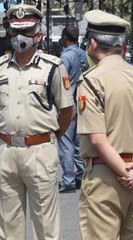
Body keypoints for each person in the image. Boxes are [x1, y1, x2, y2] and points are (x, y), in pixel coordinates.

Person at [77, 10, 133, 239]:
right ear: (121, 45)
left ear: (93, 43)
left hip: (105, 177)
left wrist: (130, 176)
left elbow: (98, 139)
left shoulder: (92, 80)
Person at [0, 4, 75, 239]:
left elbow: (67, 112)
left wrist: (49, 138)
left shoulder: (53, 68)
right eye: (15, 31)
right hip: (6, 151)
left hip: (40, 151)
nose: (20, 37)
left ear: (39, 34)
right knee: (8, 226)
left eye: (26, 31)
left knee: (46, 227)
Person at [58, 26, 89, 193]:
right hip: (81, 102)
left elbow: (60, 81)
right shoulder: (82, 53)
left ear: (64, 38)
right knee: (78, 143)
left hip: (68, 102)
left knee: (64, 141)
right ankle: (81, 175)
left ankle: (68, 179)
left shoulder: (66, 56)